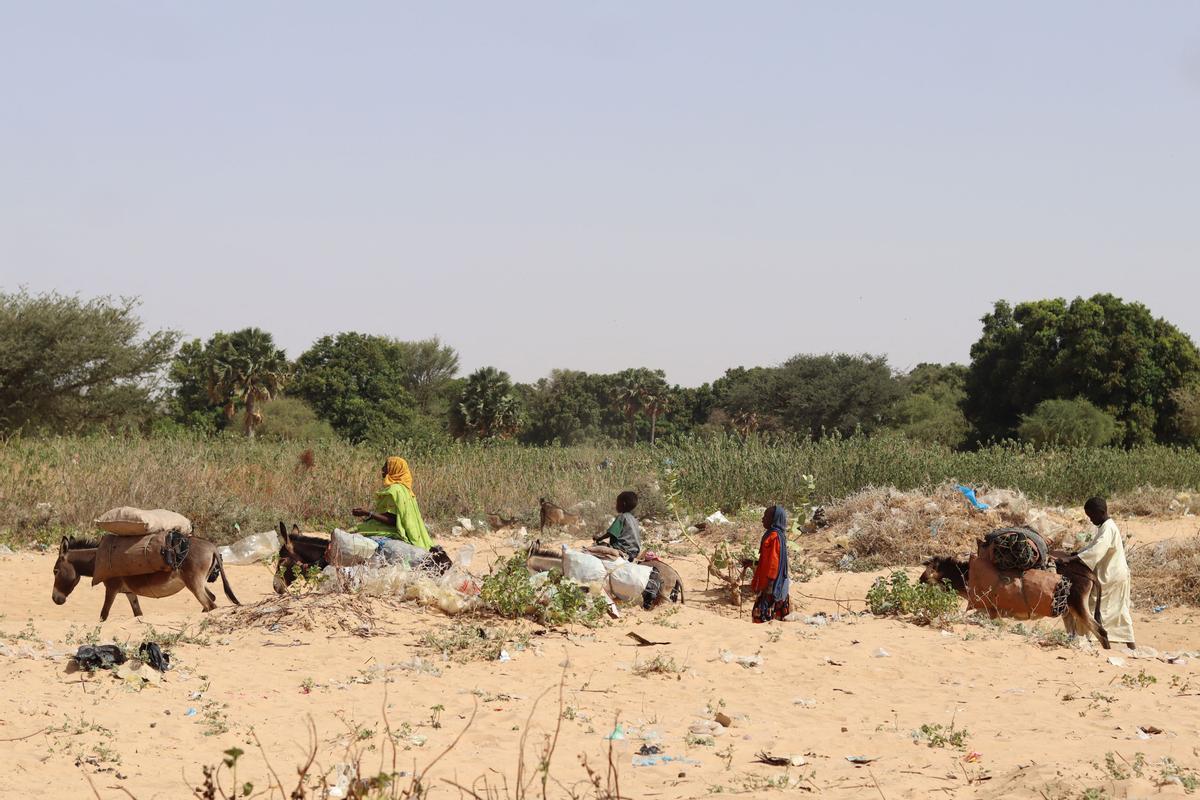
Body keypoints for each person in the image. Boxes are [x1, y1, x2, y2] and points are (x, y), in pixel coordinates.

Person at [1075, 496, 1135, 649]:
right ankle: (1128, 645)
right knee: (1119, 611)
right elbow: (1092, 547)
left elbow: (1096, 551)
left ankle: (1088, 639)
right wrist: (1077, 553)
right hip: (1114, 575)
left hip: (1111, 576)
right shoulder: (1105, 527)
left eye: (1091, 516)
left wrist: (1075, 559)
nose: (1090, 520)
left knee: (1090, 605)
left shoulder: (1108, 528)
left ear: (1101, 512)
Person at [351, 457, 434, 549]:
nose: (382, 469)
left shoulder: (393, 490)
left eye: (386, 466)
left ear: (394, 469)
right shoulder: (406, 490)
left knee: (353, 532)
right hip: (409, 531)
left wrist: (367, 513)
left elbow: (392, 520)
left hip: (392, 530)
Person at [750, 505, 791, 623]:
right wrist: (752, 562)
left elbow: (774, 563)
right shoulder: (773, 535)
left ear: (774, 519)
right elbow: (767, 560)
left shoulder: (774, 537)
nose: (762, 519)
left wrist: (769, 586)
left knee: (762, 614)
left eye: (766, 516)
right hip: (771, 582)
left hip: (771, 584)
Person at [593, 491, 642, 562]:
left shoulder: (622, 517)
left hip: (623, 549)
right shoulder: (634, 519)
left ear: (623, 504)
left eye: (617, 503)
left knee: (596, 551)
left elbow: (611, 533)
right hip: (634, 552)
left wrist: (599, 538)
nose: (616, 505)